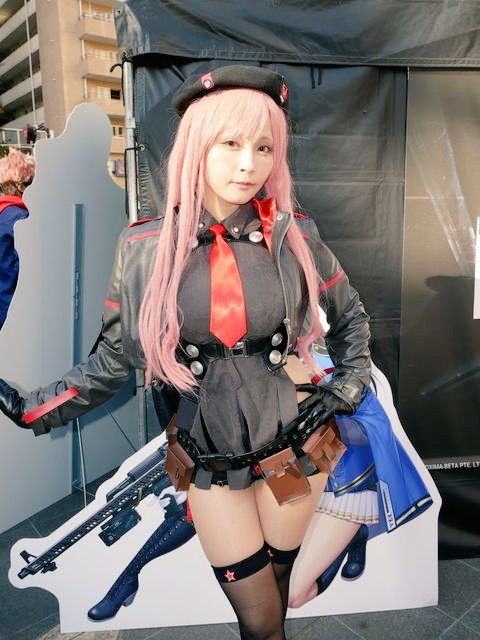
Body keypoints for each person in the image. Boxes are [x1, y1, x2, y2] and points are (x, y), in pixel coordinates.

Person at [0, 65, 371, 639]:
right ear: (197, 146)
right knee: (258, 620)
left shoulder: (294, 232)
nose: (249, 164)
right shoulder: (145, 245)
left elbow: (350, 317)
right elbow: (114, 360)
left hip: (295, 448)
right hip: (211, 456)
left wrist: (348, 384)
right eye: (230, 144)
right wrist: (34, 410)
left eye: (264, 147)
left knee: (277, 599)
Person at [0, 147, 36, 330]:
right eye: (31, 182)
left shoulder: (3, 213)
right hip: (12, 313)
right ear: (19, 186)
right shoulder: (21, 219)